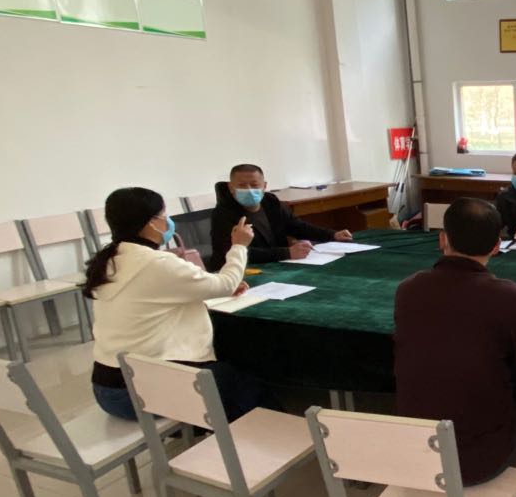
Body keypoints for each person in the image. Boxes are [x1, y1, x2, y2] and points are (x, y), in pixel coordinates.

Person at [394, 197, 516, 497]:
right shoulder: (507, 297)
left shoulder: (408, 289)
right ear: (496, 246)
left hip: (415, 448)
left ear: (442, 239)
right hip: (475, 462)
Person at [83, 187, 271, 422]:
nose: (168, 221)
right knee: (246, 379)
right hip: (141, 394)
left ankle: (206, 426)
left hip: (107, 389)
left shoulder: (111, 260)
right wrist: (239, 246)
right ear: (151, 223)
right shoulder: (156, 262)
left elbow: (153, 297)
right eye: (164, 215)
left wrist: (211, 287)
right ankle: (248, 434)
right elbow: (225, 284)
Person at [209, 163, 352, 266]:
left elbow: (296, 226)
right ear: (231, 187)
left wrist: (332, 235)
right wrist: (286, 253)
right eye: (242, 185)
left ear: (264, 186)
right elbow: (232, 253)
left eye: (254, 185)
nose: (249, 190)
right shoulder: (222, 214)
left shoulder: (271, 202)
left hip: (278, 265)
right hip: (245, 272)